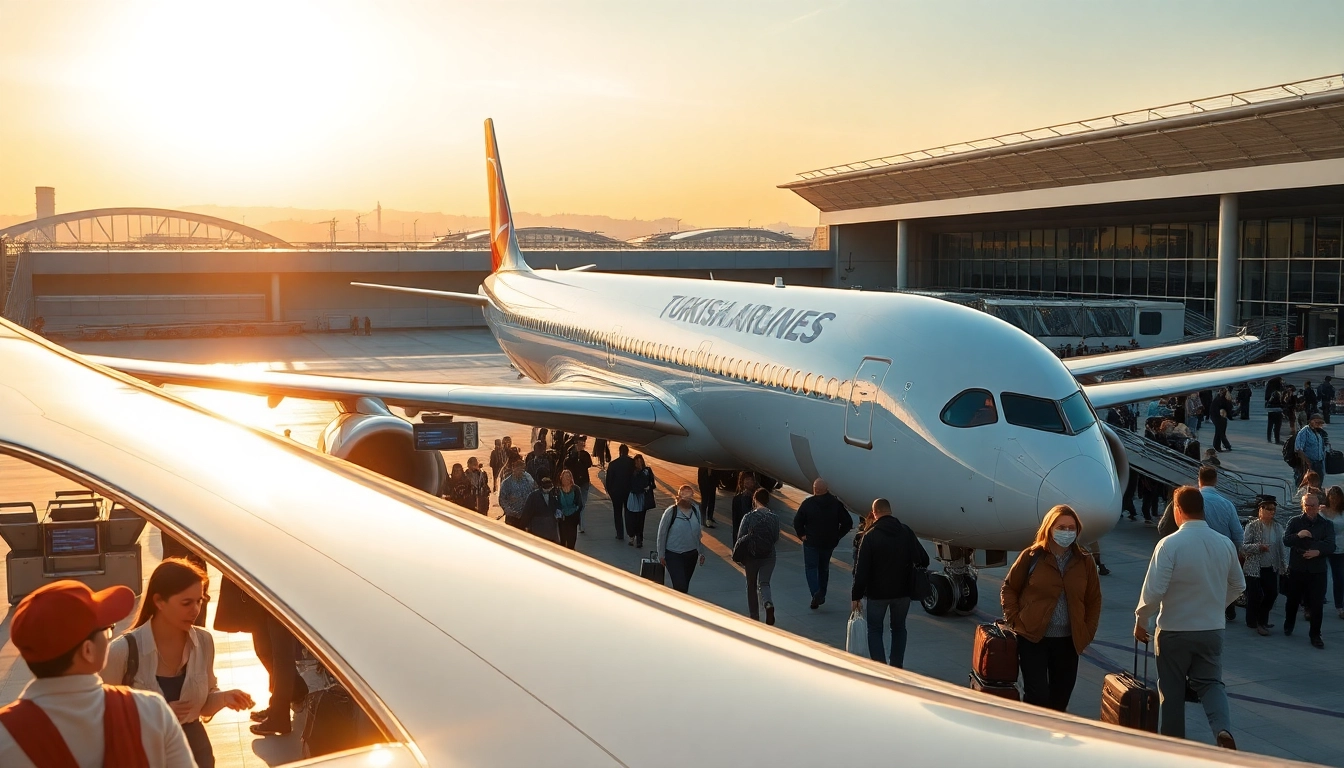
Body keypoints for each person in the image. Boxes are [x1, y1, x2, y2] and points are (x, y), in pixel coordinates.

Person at [0, 581, 196, 768]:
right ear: (88, 651)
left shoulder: (5, 734)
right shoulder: (151, 712)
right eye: (107, 630)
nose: (111, 636)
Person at [104, 559, 253, 767]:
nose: (196, 610)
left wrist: (224, 698)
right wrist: (156, 716)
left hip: (196, 752)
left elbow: (203, 705)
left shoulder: (204, 642)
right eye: (186, 603)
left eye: (200, 601)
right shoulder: (123, 651)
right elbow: (102, 718)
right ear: (159, 602)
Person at [1134, 486, 1244, 748]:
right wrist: (1217, 605)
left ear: (1178, 510)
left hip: (1174, 629)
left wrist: (1142, 621)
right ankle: (1222, 730)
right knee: (1211, 684)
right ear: (1202, 509)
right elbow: (1239, 585)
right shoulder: (1224, 543)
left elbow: (1154, 591)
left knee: (1171, 691)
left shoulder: (1169, 544)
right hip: (1211, 629)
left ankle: (1175, 747)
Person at [1001, 505, 1102, 710]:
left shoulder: (1084, 561)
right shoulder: (1031, 556)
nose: (1066, 532)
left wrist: (1087, 631)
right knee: (1037, 696)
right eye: (1061, 527)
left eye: (1071, 528)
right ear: (1049, 528)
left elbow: (1093, 600)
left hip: (1068, 642)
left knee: (1060, 699)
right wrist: (1014, 619)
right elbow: (1010, 588)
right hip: (1033, 638)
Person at [852, 498, 932, 669]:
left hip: (877, 594)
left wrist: (856, 596)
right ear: (890, 511)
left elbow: (861, 570)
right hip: (903, 592)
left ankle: (881, 669)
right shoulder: (906, 531)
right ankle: (896, 666)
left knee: (874, 630)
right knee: (898, 628)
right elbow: (924, 559)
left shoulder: (870, 536)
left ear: (874, 513)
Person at [1282, 489, 1336, 648]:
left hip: (1317, 570)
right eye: (1307, 505)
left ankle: (1315, 635)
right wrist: (1298, 535)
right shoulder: (1294, 521)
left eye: (1313, 505)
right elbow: (1286, 541)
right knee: (1292, 600)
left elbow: (1331, 545)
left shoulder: (1326, 524)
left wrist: (1317, 551)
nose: (1310, 508)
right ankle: (1289, 623)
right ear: (1302, 506)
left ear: (1319, 506)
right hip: (1297, 569)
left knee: (1317, 604)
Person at [793, 478, 854, 610]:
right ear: (827, 489)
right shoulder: (836, 504)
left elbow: (797, 521)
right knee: (823, 568)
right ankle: (822, 592)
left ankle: (816, 593)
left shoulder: (808, 504)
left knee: (811, 568)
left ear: (815, 489)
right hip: (829, 542)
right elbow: (847, 523)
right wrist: (838, 535)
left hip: (811, 541)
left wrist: (802, 534)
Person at [1197, 466, 1244, 621]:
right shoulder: (1226, 504)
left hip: (1200, 548)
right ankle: (1228, 609)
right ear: (1216, 480)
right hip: (1223, 549)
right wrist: (1238, 550)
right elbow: (1237, 532)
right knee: (1224, 580)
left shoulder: (1193, 501)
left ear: (1199, 480)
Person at [1241, 498, 1287, 636]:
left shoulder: (1278, 527)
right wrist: (1258, 547)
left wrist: (1284, 564)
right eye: (1268, 509)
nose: (1272, 512)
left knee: (1272, 593)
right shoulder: (1253, 526)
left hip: (1270, 566)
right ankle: (1255, 622)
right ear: (1260, 510)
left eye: (1273, 509)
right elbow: (1244, 547)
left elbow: (1281, 547)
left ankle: (1261, 620)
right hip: (1254, 567)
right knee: (1255, 595)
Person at [738, 487, 780, 624]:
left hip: (751, 556)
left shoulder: (749, 517)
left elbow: (741, 536)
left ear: (754, 500)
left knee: (751, 585)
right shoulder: (774, 518)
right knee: (764, 583)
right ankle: (768, 604)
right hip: (768, 556)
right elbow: (775, 537)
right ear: (767, 501)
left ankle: (754, 616)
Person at [657, 485, 706, 593]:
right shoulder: (671, 512)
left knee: (684, 586)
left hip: (691, 554)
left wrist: (701, 553)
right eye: (684, 494)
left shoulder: (695, 511)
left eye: (689, 494)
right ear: (679, 496)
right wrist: (661, 554)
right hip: (673, 554)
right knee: (680, 586)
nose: (686, 497)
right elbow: (662, 533)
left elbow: (698, 534)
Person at [603, 444, 634, 541]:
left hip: (616, 493)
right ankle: (630, 534)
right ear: (627, 452)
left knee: (617, 513)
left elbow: (608, 480)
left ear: (619, 452)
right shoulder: (632, 463)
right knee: (628, 513)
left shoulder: (613, 464)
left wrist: (610, 492)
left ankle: (620, 534)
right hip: (629, 492)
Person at [563, 438, 594, 533]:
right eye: (579, 443)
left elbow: (589, 464)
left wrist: (581, 458)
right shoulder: (571, 456)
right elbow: (566, 464)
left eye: (582, 443)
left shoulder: (585, 455)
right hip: (575, 484)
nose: (581, 445)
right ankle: (578, 522)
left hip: (584, 482)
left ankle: (581, 524)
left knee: (582, 504)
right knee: (576, 504)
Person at [625, 455, 656, 548]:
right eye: (636, 462)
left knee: (640, 521)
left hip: (642, 498)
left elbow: (653, 484)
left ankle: (639, 539)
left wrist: (648, 487)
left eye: (640, 461)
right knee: (631, 519)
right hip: (633, 497)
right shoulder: (631, 472)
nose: (638, 464)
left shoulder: (647, 471)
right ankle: (632, 536)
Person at [1323, 485, 1344, 619]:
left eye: (1337, 497)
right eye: (1332, 497)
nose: (1335, 500)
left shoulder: (1343, 512)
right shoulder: (1322, 511)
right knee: (1321, 577)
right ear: (1328, 497)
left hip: (1341, 548)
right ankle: (1312, 604)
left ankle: (1340, 606)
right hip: (1326, 547)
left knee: (1340, 578)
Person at [520, 476, 560, 543]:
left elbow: (557, 508)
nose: (548, 490)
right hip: (537, 528)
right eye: (546, 488)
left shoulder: (553, 494)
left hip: (551, 528)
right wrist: (524, 526)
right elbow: (526, 513)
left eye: (549, 488)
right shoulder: (533, 496)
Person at [499, 460, 538, 529]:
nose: (520, 472)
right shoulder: (506, 483)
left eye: (522, 470)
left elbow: (535, 492)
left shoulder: (528, 479)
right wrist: (510, 511)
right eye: (518, 469)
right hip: (512, 518)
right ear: (513, 469)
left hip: (526, 516)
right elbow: (502, 500)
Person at [554, 469, 585, 549]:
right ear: (561, 478)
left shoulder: (576, 489)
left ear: (571, 478)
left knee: (572, 539)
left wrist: (575, 514)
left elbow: (580, 504)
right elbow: (556, 504)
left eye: (568, 477)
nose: (566, 479)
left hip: (573, 518)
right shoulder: (558, 490)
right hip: (562, 518)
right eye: (564, 477)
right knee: (563, 540)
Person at [1295, 413, 1327, 485]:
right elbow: (1298, 449)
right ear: (1310, 421)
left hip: (1319, 463)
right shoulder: (1304, 432)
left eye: (1320, 422)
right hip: (1308, 464)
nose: (1318, 424)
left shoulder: (1319, 432)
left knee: (1318, 484)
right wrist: (1308, 462)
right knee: (1307, 485)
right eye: (1316, 422)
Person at [731, 471, 760, 540]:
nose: (749, 482)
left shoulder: (758, 498)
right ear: (742, 482)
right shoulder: (737, 499)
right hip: (742, 534)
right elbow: (735, 522)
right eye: (747, 479)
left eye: (751, 480)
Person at [1210, 387, 1233, 452]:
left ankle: (1218, 446)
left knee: (1219, 432)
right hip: (1217, 416)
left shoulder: (1220, 399)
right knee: (1220, 432)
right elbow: (1228, 408)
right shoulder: (1220, 399)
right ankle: (1225, 445)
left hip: (1219, 416)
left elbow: (1228, 408)